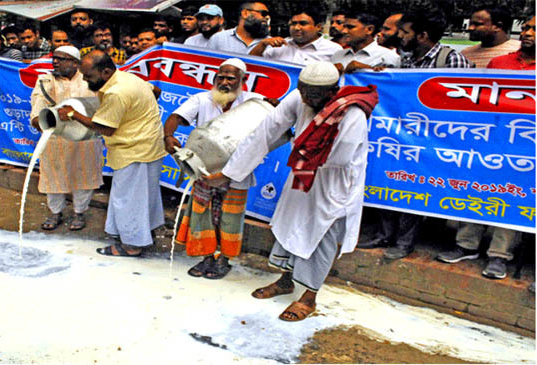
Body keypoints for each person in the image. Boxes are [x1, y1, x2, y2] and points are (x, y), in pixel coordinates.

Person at [206, 61, 377, 321]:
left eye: (313, 95)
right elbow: (265, 132)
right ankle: (286, 281)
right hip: (303, 173)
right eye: (303, 91)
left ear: (332, 92)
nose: (306, 99)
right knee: (289, 224)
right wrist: (230, 173)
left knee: (319, 236)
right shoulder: (300, 98)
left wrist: (303, 145)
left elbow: (339, 158)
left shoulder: (351, 113)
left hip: (333, 183)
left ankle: (309, 297)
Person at [365, 9, 472, 260]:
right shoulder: (407, 60)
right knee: (390, 181)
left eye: (405, 32)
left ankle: (404, 242)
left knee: (414, 188)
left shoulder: (452, 60)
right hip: (402, 136)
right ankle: (385, 234)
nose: (400, 36)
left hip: (433, 140)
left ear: (422, 35)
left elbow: (462, 105)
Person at [434, 15, 535, 279]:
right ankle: (465, 245)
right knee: (479, 190)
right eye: (526, 27)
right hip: (491, 141)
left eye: (535, 29)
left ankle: (499, 255)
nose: (528, 33)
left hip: (527, 148)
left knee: (512, 196)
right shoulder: (500, 63)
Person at [57, 50, 167, 257]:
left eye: (89, 76)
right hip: (149, 144)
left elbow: (105, 128)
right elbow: (156, 92)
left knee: (128, 199)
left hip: (134, 149)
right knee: (143, 196)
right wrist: (138, 115)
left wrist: (73, 114)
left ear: (106, 71)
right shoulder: (128, 77)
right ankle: (143, 234)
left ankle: (132, 246)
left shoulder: (117, 92)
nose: (87, 81)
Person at [164, 59, 264, 279]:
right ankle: (206, 256)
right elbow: (175, 117)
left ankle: (223, 260)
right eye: (221, 77)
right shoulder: (202, 99)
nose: (225, 82)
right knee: (203, 215)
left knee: (229, 218)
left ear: (243, 80)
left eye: (231, 78)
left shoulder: (254, 104)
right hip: (205, 170)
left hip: (236, 172)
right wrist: (169, 136)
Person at [29, 46, 103, 231]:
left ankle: (80, 213)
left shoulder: (90, 79)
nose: (56, 62)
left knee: (84, 175)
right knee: (53, 176)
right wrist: (39, 121)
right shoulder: (45, 80)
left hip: (85, 137)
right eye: (55, 58)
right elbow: (37, 108)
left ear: (76, 63)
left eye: (62, 59)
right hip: (55, 138)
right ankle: (55, 212)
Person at [249, 6, 342, 64]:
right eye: (293, 24)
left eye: (303, 23)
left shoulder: (333, 50)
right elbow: (251, 64)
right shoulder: (278, 46)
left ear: (318, 27)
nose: (296, 28)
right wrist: (262, 45)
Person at [331, 12, 400, 71]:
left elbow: (391, 84)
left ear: (369, 30)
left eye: (350, 27)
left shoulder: (388, 57)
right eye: (344, 27)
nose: (344, 31)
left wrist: (368, 70)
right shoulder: (337, 55)